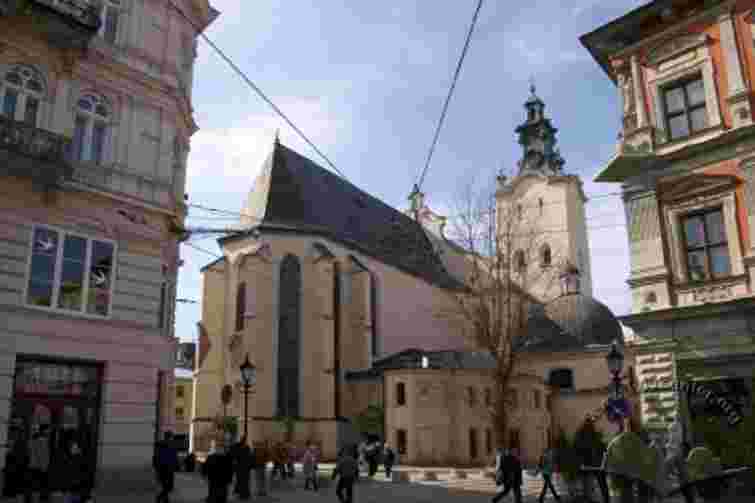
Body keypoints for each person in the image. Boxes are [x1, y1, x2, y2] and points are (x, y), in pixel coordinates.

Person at [153, 431, 179, 503]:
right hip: (168, 468)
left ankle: (165, 499)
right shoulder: (172, 445)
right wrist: (177, 466)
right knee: (169, 486)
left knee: (165, 485)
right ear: (170, 437)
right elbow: (174, 457)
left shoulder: (158, 444)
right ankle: (160, 497)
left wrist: (156, 466)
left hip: (161, 468)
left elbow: (155, 457)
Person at [26, 425, 51, 503]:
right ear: (44, 431)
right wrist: (44, 466)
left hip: (32, 464)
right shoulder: (43, 440)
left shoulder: (32, 440)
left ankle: (29, 498)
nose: (49, 431)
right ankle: (43, 498)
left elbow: (30, 451)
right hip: (40, 465)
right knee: (43, 483)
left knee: (32, 483)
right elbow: (42, 454)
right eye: (48, 430)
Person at [231, 436, 253, 500]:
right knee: (242, 480)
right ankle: (243, 493)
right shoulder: (240, 446)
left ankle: (243, 493)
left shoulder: (245, 447)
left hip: (243, 467)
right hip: (241, 466)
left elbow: (249, 456)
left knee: (243, 480)